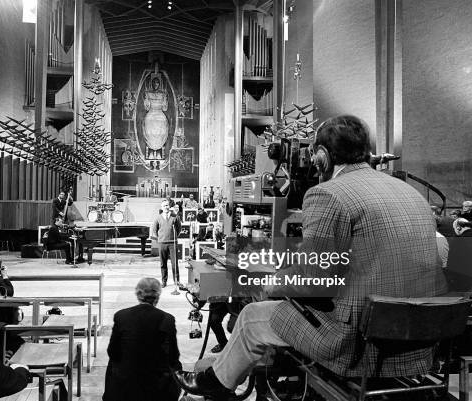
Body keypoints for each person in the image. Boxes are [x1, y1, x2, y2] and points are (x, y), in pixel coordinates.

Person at [174, 115, 448, 398]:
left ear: (322, 156)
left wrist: (272, 283)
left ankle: (217, 383)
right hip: (419, 343)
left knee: (252, 316)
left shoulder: (328, 194)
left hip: (356, 348)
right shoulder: (412, 193)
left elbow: (315, 281)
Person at [103, 277, 181, 401]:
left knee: (113, 363)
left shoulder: (121, 316)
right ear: (157, 296)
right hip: (156, 387)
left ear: (138, 294)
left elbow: (112, 352)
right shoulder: (167, 319)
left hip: (125, 386)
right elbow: (173, 356)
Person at [151, 200, 182, 288]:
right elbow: (154, 230)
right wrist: (160, 238)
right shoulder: (158, 218)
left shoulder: (175, 217)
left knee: (174, 263)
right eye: (164, 206)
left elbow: (179, 228)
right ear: (161, 207)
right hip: (162, 243)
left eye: (167, 205)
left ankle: (177, 281)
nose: (166, 207)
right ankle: (164, 281)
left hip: (173, 243)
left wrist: (174, 237)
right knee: (163, 263)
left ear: (169, 206)